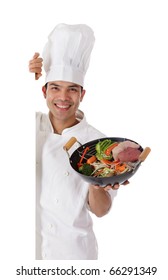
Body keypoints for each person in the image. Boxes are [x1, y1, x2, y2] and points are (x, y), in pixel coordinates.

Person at [29, 23, 122, 260]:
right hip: (26, 252)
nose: (63, 97)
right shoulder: (26, 127)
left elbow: (101, 211)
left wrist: (95, 181)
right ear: (44, 92)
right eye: (55, 88)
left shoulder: (98, 142)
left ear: (82, 94)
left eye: (72, 89)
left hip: (73, 255)